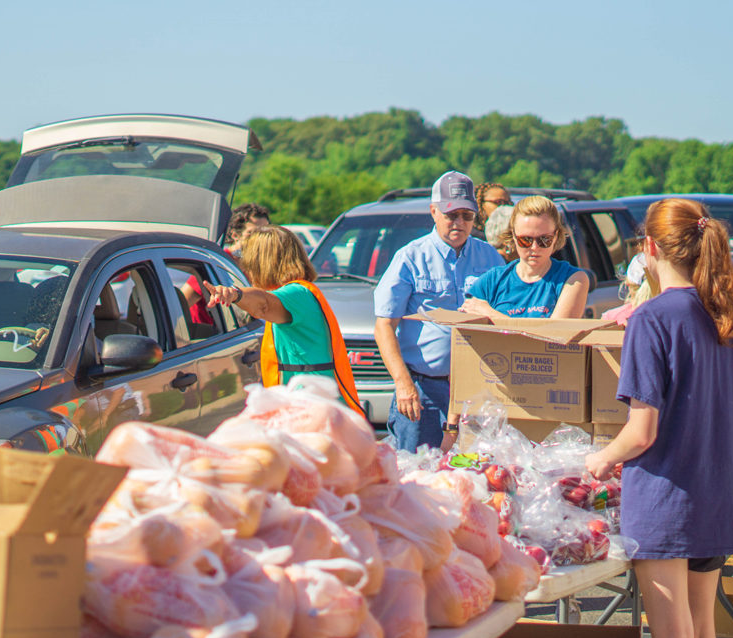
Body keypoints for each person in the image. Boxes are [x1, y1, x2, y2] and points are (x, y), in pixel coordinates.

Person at [585, 198, 733, 638]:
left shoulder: (652, 318)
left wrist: (600, 460)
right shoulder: (728, 314)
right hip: (717, 493)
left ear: (649, 248)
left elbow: (641, 432)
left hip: (666, 499)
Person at [373, 171, 504, 452]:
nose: (459, 222)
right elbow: (384, 325)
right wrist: (403, 383)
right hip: (423, 391)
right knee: (417, 478)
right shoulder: (410, 257)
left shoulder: (491, 258)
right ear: (434, 211)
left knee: (475, 481)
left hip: (477, 393)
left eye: (466, 216)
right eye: (451, 214)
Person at [201, 224, 363, 414]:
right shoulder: (298, 293)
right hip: (312, 406)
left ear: (261, 262)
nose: (245, 268)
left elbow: (263, 304)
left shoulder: (296, 293)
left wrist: (235, 294)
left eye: (247, 261)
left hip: (312, 410)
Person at [461, 196, 590, 319]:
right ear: (513, 236)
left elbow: (554, 337)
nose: (534, 247)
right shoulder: (493, 280)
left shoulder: (573, 280)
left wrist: (492, 315)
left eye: (544, 240)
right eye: (525, 240)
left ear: (556, 236)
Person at [180, 202, 271, 326]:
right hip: (208, 340)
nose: (259, 239)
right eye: (252, 233)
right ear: (235, 235)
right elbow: (180, 307)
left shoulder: (252, 266)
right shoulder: (216, 263)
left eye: (264, 233)